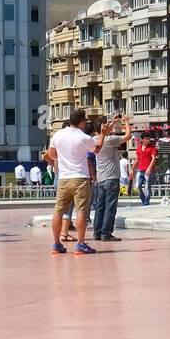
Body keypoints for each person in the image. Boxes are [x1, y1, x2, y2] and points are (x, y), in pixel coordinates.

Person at [45, 108, 105, 255]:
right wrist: (103, 134)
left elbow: (52, 155)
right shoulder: (84, 137)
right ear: (82, 122)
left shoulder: (57, 135)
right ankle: (81, 244)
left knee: (58, 210)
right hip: (80, 178)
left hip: (63, 178)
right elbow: (96, 150)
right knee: (81, 211)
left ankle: (56, 244)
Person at [91, 114, 131, 242]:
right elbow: (128, 136)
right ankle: (106, 233)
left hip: (100, 178)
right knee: (110, 207)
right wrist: (126, 122)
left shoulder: (94, 139)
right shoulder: (110, 139)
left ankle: (97, 233)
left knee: (100, 207)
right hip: (111, 178)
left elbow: (105, 132)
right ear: (104, 127)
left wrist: (113, 122)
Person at [134, 134, 158, 205]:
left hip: (149, 170)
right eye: (146, 139)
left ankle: (146, 202)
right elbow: (137, 159)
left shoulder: (152, 148)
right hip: (140, 169)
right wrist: (132, 169)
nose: (148, 140)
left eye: (149, 138)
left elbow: (153, 159)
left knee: (147, 186)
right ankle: (143, 199)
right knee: (138, 186)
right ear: (142, 139)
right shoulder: (139, 148)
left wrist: (149, 168)